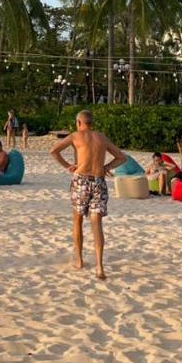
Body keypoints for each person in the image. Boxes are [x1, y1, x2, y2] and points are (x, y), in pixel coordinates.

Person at [49, 109, 127, 280]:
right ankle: (99, 267)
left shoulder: (75, 136)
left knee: (77, 220)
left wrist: (68, 165)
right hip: (99, 181)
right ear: (91, 123)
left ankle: (79, 260)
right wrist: (106, 167)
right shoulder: (102, 137)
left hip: (81, 180)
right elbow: (122, 157)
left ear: (79, 122)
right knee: (96, 224)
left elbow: (54, 151)